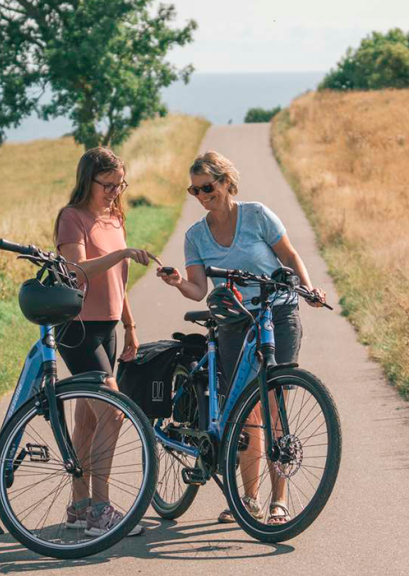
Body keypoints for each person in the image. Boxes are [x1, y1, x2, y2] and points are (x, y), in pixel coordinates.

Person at [157, 150, 326, 525]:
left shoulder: (257, 216)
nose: (202, 195)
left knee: (273, 401)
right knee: (248, 410)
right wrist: (178, 282)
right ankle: (249, 499)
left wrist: (308, 289)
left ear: (226, 183)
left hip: (276, 313)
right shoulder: (196, 236)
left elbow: (290, 256)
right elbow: (198, 290)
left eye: (208, 187)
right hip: (234, 322)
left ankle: (278, 502)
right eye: (195, 190)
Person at [54, 146, 160, 537]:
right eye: (108, 184)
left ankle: (79, 507)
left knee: (87, 419)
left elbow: (120, 283)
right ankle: (101, 510)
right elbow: (78, 272)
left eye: (120, 184)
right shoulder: (72, 218)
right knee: (114, 412)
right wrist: (123, 253)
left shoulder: (115, 217)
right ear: (88, 180)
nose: (116, 191)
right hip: (78, 328)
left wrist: (130, 326)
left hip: (109, 327)